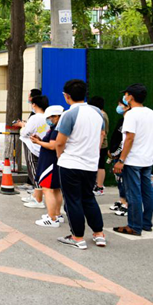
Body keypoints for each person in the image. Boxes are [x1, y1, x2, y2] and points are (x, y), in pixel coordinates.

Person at [55, 79, 107, 250]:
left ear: (66, 96)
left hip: (70, 164)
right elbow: (101, 135)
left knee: (73, 201)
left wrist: (60, 157)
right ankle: (99, 234)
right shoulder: (97, 112)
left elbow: (60, 142)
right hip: (90, 164)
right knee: (88, 198)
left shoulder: (69, 114)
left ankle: (77, 237)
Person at [113, 83, 153, 236]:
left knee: (133, 193)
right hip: (147, 159)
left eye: (126, 95)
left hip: (133, 160)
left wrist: (121, 160)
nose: (124, 97)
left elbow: (129, 138)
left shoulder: (131, 115)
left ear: (130, 97)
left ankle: (134, 226)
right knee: (147, 192)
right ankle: (146, 223)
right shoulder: (152, 113)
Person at [30, 105, 65, 227]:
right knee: (56, 189)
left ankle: (52, 218)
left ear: (57, 117)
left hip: (50, 162)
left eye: (50, 117)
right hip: (54, 162)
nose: (48, 120)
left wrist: (38, 142)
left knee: (47, 189)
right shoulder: (57, 128)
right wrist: (40, 140)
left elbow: (52, 146)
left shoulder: (56, 130)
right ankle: (57, 214)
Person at [17, 95, 50, 209]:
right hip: (43, 148)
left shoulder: (35, 117)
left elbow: (25, 132)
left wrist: (22, 126)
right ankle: (35, 195)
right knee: (39, 172)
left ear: (34, 104)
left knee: (34, 173)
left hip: (32, 147)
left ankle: (38, 200)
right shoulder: (48, 117)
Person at [108, 97, 131, 216]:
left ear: (127, 106)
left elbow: (125, 141)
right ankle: (122, 200)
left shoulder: (129, 121)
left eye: (120, 104)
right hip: (116, 154)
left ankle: (127, 204)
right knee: (119, 179)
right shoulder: (122, 120)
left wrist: (116, 154)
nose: (118, 107)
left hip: (121, 155)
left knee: (124, 180)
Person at [87, 96, 110, 196]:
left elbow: (103, 132)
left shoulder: (102, 115)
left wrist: (98, 146)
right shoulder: (101, 114)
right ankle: (97, 184)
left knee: (100, 165)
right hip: (98, 143)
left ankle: (99, 187)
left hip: (101, 144)